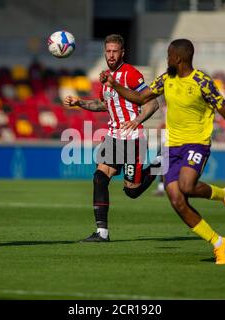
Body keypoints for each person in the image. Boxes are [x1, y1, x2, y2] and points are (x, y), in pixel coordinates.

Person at [100, 38, 225, 264]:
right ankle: (218, 242)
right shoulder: (166, 79)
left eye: (169, 55)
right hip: (171, 146)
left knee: (186, 186)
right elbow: (140, 97)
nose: (167, 59)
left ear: (179, 58)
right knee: (177, 200)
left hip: (196, 144)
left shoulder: (202, 82)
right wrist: (114, 85)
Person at [63, 34, 160, 242]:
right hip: (113, 137)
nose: (111, 55)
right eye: (108, 51)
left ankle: (159, 164)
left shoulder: (132, 75)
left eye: (115, 51)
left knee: (131, 192)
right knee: (99, 178)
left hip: (133, 139)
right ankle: (102, 233)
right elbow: (103, 104)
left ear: (122, 52)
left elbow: (153, 104)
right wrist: (79, 102)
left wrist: (137, 120)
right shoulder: (106, 77)